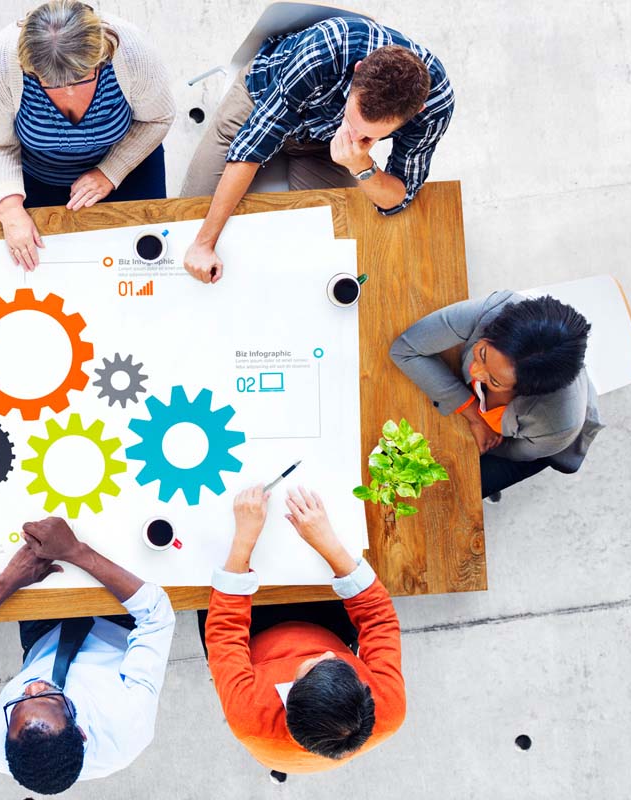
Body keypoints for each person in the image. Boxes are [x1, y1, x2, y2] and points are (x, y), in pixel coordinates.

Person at [180, 16, 455, 284]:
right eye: (353, 120)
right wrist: (204, 244)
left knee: (328, 256)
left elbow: (396, 198)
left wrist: (361, 165)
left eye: (369, 136)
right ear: (358, 70)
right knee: (189, 225)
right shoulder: (324, 48)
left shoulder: (435, 107)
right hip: (261, 99)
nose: (355, 135)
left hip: (322, 143)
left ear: (417, 111)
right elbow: (252, 148)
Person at [0, 517, 174, 794]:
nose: (33, 687)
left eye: (19, 701)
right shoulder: (128, 727)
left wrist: (8, 581)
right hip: (120, 619)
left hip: (43, 630)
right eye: (48, 697)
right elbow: (156, 614)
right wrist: (74, 551)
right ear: (82, 732)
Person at [204, 485, 405, 776]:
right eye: (341, 663)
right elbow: (379, 620)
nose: (325, 653)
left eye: (311, 666)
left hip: (253, 637)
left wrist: (245, 538)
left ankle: (279, 768)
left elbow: (224, 632)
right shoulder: (389, 706)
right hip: (324, 624)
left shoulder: (247, 715)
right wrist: (329, 544)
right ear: (365, 693)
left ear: (287, 697)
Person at [0, 0, 174, 270]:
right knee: (28, 271)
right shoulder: (0, 61)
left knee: (139, 268)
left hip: (126, 168)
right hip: (31, 177)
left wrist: (110, 172)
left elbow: (157, 118)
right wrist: (10, 211)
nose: (68, 92)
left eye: (80, 78)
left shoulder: (132, 51)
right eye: (52, 83)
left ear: (100, 57)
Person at [390, 292, 599, 499]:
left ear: (525, 391)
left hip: (529, 447)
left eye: (495, 381)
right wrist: (475, 416)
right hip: (497, 419)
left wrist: (477, 447)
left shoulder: (557, 426)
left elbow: (512, 452)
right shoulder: (495, 309)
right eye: (482, 353)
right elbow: (405, 349)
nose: (475, 372)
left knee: (450, 493)